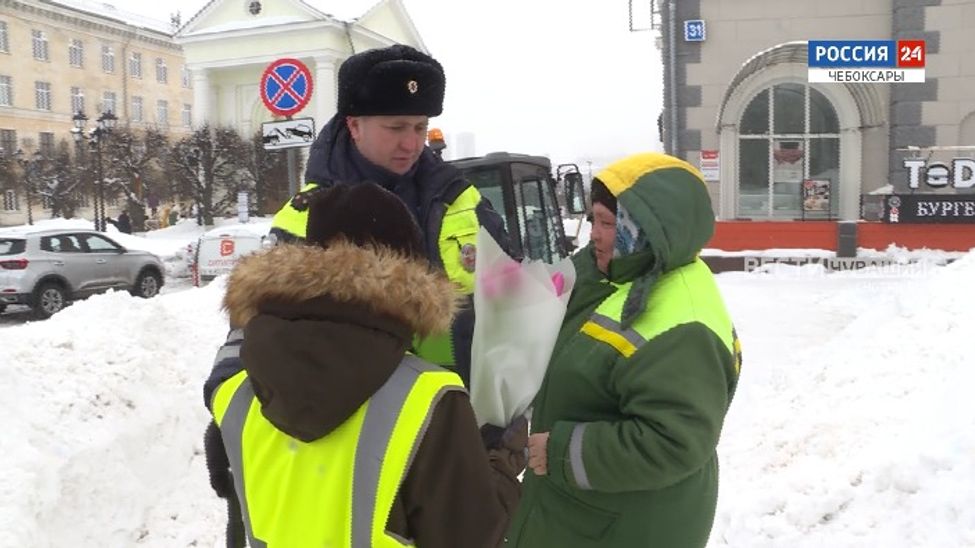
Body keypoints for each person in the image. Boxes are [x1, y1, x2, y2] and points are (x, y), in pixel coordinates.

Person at [207, 182, 526, 547]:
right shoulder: (429, 400)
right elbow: (471, 537)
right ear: (410, 274)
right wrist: (501, 464)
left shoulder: (235, 395)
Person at [505, 153, 743, 548]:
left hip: (628, 524)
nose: (593, 235)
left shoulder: (686, 325)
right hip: (583, 510)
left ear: (650, 229)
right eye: (594, 220)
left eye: (608, 223)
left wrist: (562, 452)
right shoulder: (618, 268)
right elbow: (556, 291)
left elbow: (673, 442)